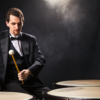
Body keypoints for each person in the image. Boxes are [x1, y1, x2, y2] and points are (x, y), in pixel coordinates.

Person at [0, 8, 50, 100]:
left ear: (23, 22)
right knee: (31, 99)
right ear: (7, 23)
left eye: (19, 24)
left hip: (31, 82)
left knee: (50, 96)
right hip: (10, 83)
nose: (17, 27)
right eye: (13, 24)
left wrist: (29, 71)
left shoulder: (31, 39)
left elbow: (40, 59)